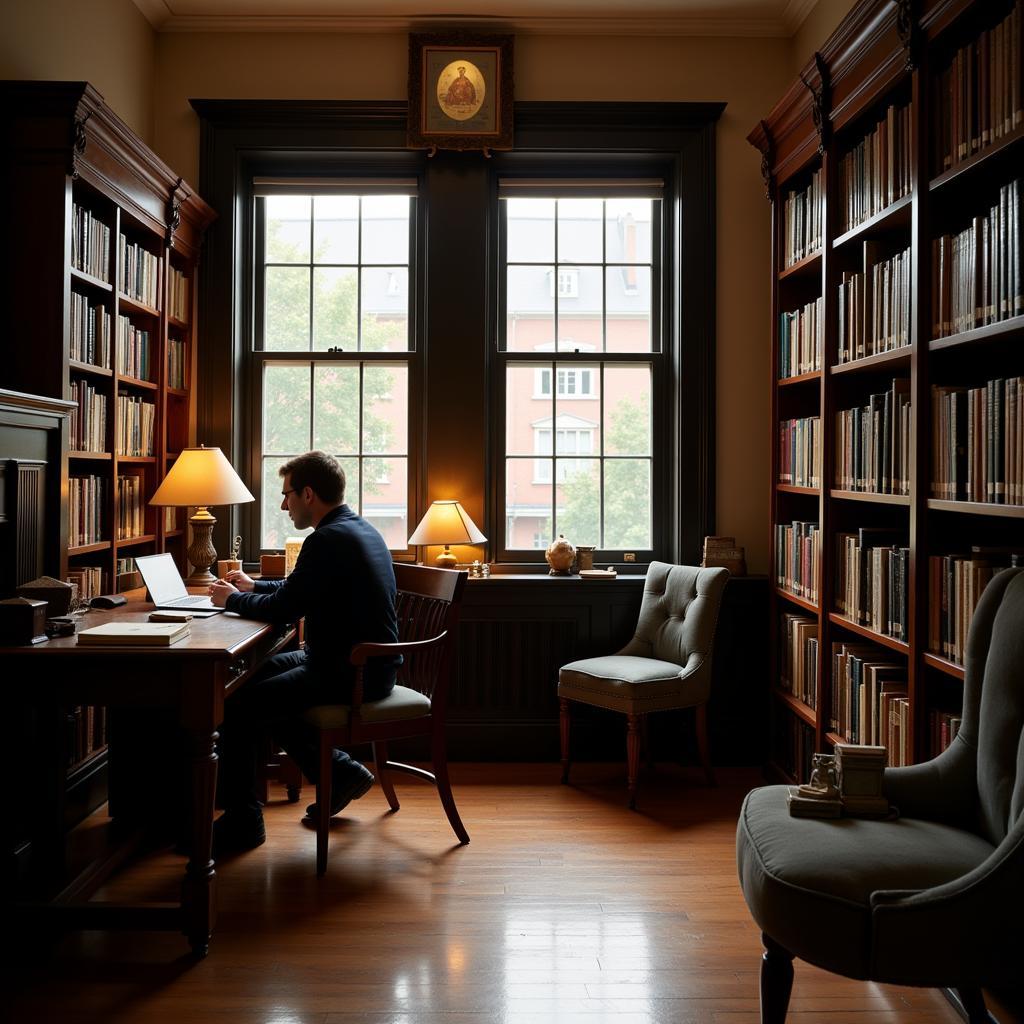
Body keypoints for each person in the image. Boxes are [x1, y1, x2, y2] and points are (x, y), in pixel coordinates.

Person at [208, 450, 398, 852]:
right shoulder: (355, 528)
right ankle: (341, 773)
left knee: (238, 705)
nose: (283, 504)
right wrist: (251, 587)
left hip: (351, 670)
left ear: (308, 494)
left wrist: (229, 601)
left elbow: (286, 608)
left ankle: (244, 822)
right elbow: (299, 591)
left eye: (287, 494)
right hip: (353, 662)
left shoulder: (327, 539)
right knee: (251, 679)